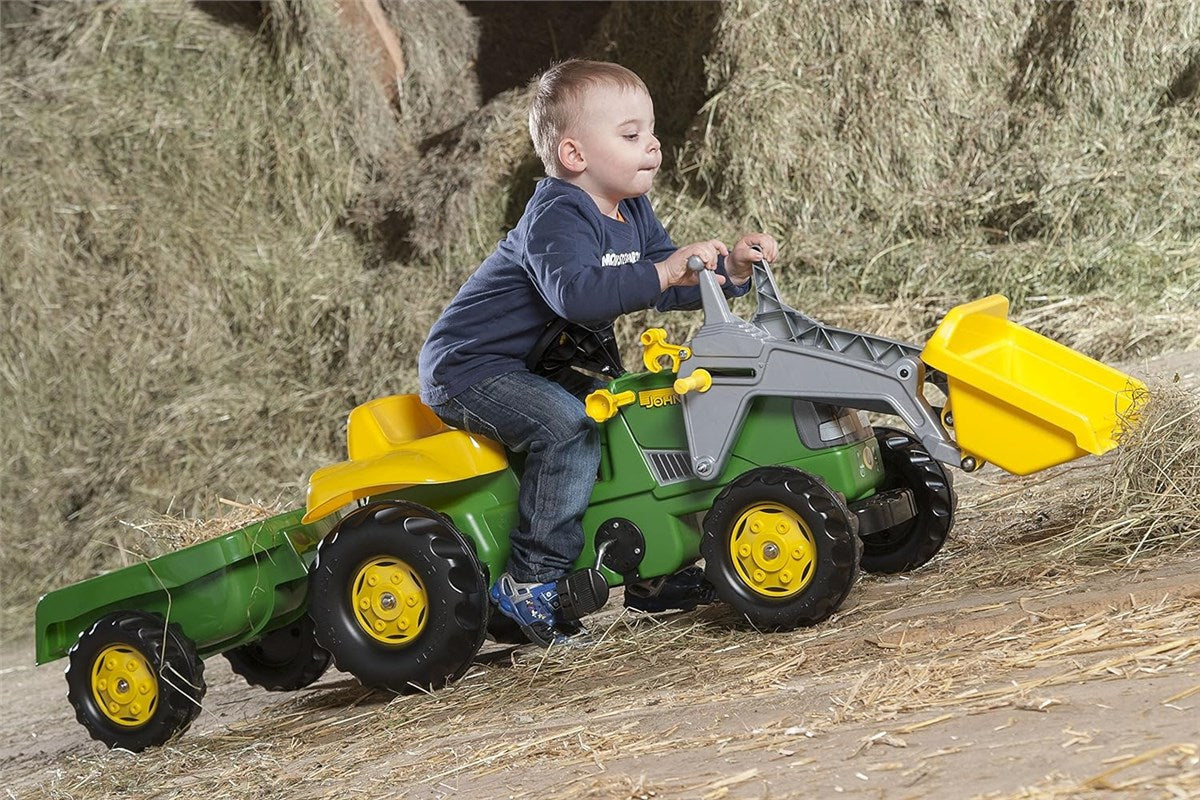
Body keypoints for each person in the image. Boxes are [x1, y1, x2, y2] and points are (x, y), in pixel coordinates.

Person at [418, 59, 778, 646]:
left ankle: (647, 568)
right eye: (632, 135)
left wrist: (730, 269)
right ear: (575, 156)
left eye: (652, 132)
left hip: (547, 364)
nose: (653, 146)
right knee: (566, 429)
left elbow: (668, 280)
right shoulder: (556, 216)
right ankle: (529, 583)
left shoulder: (631, 208)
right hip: (471, 367)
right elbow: (578, 296)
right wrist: (661, 272)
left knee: (632, 414)